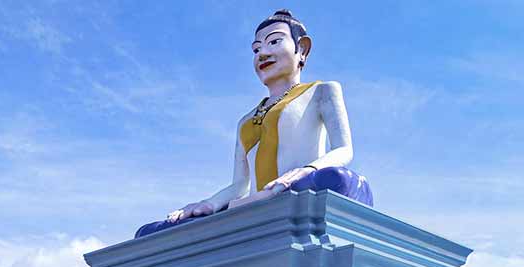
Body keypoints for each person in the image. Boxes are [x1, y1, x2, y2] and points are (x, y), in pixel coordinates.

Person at [137, 9, 371, 238]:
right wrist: (207, 204)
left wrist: (305, 171)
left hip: (298, 190)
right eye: (256, 49)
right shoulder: (245, 121)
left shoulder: (321, 91)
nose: (262, 53)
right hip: (253, 206)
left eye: (274, 42)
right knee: (157, 231)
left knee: (339, 180)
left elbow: (344, 149)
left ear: (302, 48)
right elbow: (240, 185)